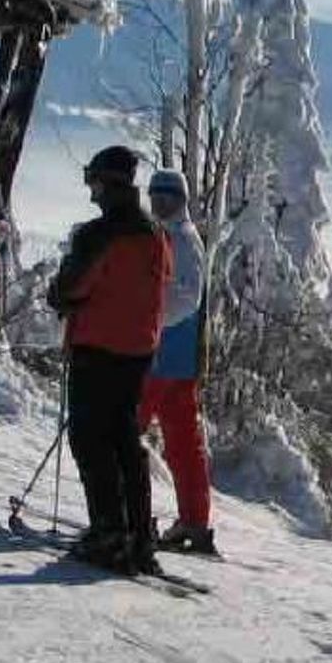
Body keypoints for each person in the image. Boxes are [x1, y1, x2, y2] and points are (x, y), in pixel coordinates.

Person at [48, 145, 172, 575]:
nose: (91, 191)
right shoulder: (156, 233)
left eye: (93, 181)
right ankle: (137, 534)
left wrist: (60, 289)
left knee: (90, 438)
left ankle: (109, 531)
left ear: (108, 183)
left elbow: (71, 288)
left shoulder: (99, 234)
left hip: (97, 347)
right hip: (139, 350)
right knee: (123, 438)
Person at [139, 167, 216, 555]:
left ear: (180, 200)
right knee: (184, 444)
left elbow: (186, 298)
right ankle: (194, 521)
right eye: (155, 195)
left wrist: (144, 315)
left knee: (122, 432)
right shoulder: (172, 236)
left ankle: (126, 517)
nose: (159, 201)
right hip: (176, 360)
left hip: (159, 357)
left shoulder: (181, 239)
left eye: (167, 196)